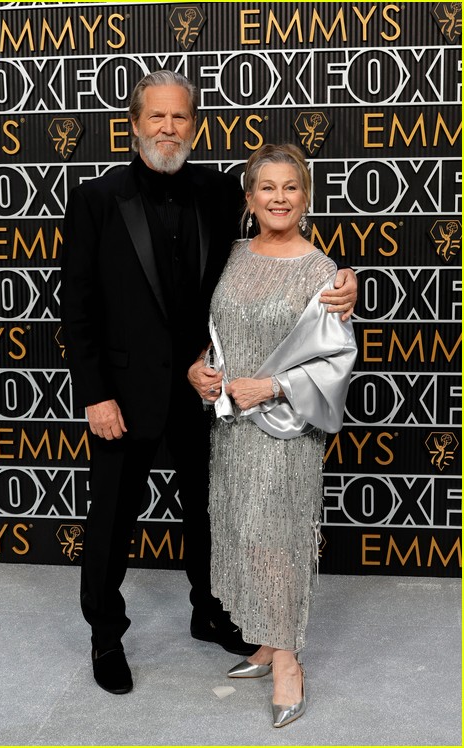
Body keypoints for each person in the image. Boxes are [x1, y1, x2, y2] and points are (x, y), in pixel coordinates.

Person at [60, 71, 358, 696]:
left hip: (206, 388)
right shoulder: (95, 198)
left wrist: (343, 284)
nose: (168, 129)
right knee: (112, 517)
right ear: (135, 123)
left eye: (180, 119)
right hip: (124, 392)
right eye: (157, 118)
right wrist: (95, 393)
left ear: (193, 126)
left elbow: (275, 254)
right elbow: (78, 306)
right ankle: (106, 636)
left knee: (210, 512)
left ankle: (210, 609)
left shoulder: (224, 193)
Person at [187, 143, 357, 727]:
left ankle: (288, 661)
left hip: (286, 432)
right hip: (232, 425)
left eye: (291, 187)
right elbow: (211, 326)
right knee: (242, 531)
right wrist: (201, 368)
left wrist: (275, 388)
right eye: (267, 188)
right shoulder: (229, 255)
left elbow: (335, 360)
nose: (279, 198)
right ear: (250, 198)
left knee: (278, 536)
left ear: (306, 198)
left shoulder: (322, 272)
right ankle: (263, 642)